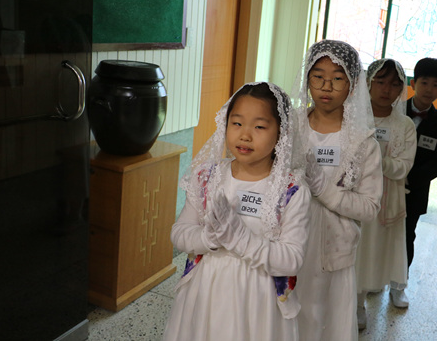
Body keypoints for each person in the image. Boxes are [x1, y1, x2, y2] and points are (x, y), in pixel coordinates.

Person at [163, 82, 311, 341]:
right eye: (237, 123)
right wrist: (208, 238)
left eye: (259, 127)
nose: (245, 135)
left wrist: (239, 238)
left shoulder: (290, 190)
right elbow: (179, 233)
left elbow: (291, 259)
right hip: (205, 291)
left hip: (257, 299)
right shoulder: (207, 177)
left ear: (281, 132)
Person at [292, 39, 383, 341]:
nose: (326, 86)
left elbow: (369, 207)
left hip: (333, 248)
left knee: (323, 320)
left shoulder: (362, 142)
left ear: (353, 84)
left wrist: (325, 191)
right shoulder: (291, 128)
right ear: (307, 79)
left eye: (337, 78)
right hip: (289, 241)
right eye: (318, 76)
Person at [355, 59, 417, 329]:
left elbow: (404, 166)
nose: (386, 89)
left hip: (387, 199)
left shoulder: (405, 125)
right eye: (380, 81)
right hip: (356, 196)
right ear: (368, 83)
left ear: (401, 89)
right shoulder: (354, 118)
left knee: (377, 249)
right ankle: (355, 302)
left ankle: (370, 295)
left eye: (393, 84)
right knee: (356, 248)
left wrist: (376, 158)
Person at [404, 58, 437, 292]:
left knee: (406, 236)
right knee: (378, 235)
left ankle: (399, 283)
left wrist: (409, 179)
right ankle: (374, 280)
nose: (429, 89)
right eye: (424, 83)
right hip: (382, 186)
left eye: (436, 85)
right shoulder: (393, 111)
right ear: (413, 84)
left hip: (414, 191)